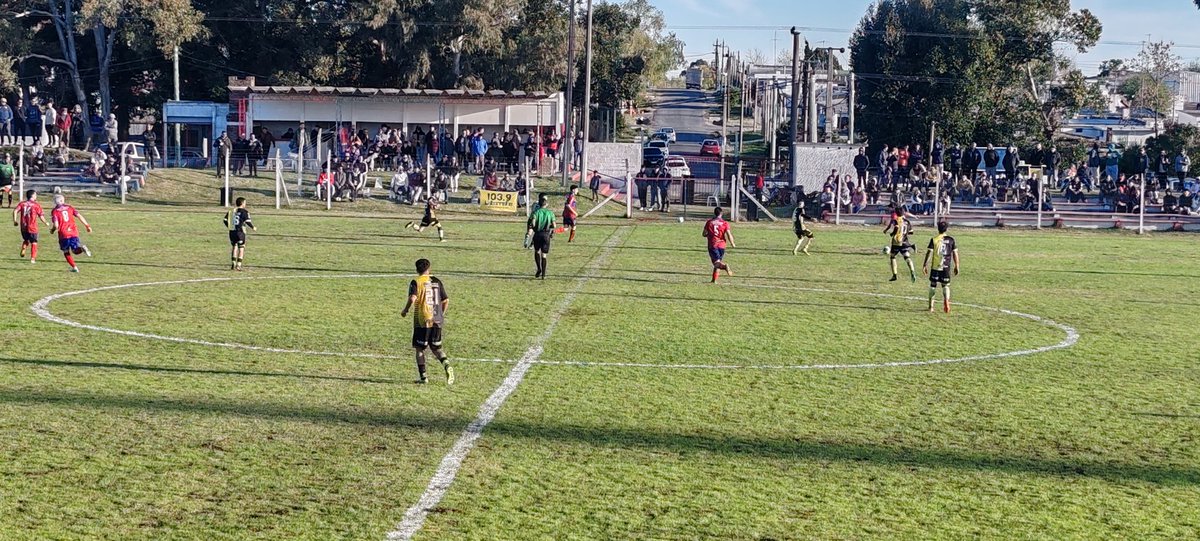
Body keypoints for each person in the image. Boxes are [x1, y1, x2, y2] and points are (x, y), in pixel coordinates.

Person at [399, 258, 455, 385]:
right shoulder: (436, 281)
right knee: (436, 347)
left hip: (423, 319)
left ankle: (423, 378)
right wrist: (441, 314)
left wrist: (405, 310)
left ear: (417, 270)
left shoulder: (416, 282)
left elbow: (413, 298)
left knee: (419, 348)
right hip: (437, 319)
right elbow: (446, 300)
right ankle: (447, 365)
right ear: (429, 268)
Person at [922, 221, 960, 314]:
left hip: (935, 267)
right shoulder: (951, 240)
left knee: (933, 285)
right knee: (945, 285)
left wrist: (925, 264)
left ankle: (931, 307)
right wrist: (957, 265)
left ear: (938, 228)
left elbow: (929, 253)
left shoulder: (934, 239)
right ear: (946, 229)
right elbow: (955, 254)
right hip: (946, 267)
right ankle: (946, 300)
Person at [49, 194, 92, 272]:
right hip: (73, 232)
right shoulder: (70, 207)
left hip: (63, 234)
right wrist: (87, 226)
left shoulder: (55, 211)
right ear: (63, 200)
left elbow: (56, 225)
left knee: (66, 251)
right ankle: (82, 249)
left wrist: (52, 230)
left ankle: (74, 267)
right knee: (75, 250)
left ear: (55, 202)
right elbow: (79, 216)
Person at [14, 189, 49, 264]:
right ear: (33, 196)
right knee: (34, 242)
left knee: (26, 240)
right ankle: (32, 259)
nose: (36, 196)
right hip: (32, 226)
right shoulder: (36, 205)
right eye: (35, 195)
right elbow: (41, 216)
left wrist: (15, 221)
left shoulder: (22, 204)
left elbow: (15, 211)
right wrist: (45, 222)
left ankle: (24, 246)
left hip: (23, 226)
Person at [526, 193, 555, 279]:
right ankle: (544, 274)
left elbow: (533, 223)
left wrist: (532, 230)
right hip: (546, 234)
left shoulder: (536, 212)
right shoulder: (550, 213)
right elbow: (554, 225)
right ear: (546, 204)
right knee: (544, 255)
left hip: (537, 234)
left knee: (537, 251)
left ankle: (539, 268)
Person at [884, 206, 917, 283]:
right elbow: (911, 232)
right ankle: (912, 271)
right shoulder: (907, 221)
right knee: (907, 257)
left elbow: (896, 228)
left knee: (892, 256)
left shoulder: (896, 220)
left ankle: (894, 275)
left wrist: (892, 234)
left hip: (896, 242)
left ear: (896, 213)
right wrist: (904, 233)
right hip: (904, 242)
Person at [703, 206, 735, 283]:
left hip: (713, 245)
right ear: (721, 214)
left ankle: (725, 267)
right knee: (718, 261)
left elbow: (704, 233)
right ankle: (714, 280)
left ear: (714, 213)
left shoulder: (709, 222)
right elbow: (729, 234)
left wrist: (709, 235)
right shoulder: (724, 223)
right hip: (722, 246)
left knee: (716, 263)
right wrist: (732, 243)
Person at [223, 197, 256, 270]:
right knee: (241, 248)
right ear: (242, 203)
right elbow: (247, 221)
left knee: (234, 246)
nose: (245, 204)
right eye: (245, 202)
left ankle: (233, 262)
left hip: (232, 232)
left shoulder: (231, 211)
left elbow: (225, 220)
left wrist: (229, 226)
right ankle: (238, 265)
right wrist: (253, 227)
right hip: (240, 232)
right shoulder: (245, 212)